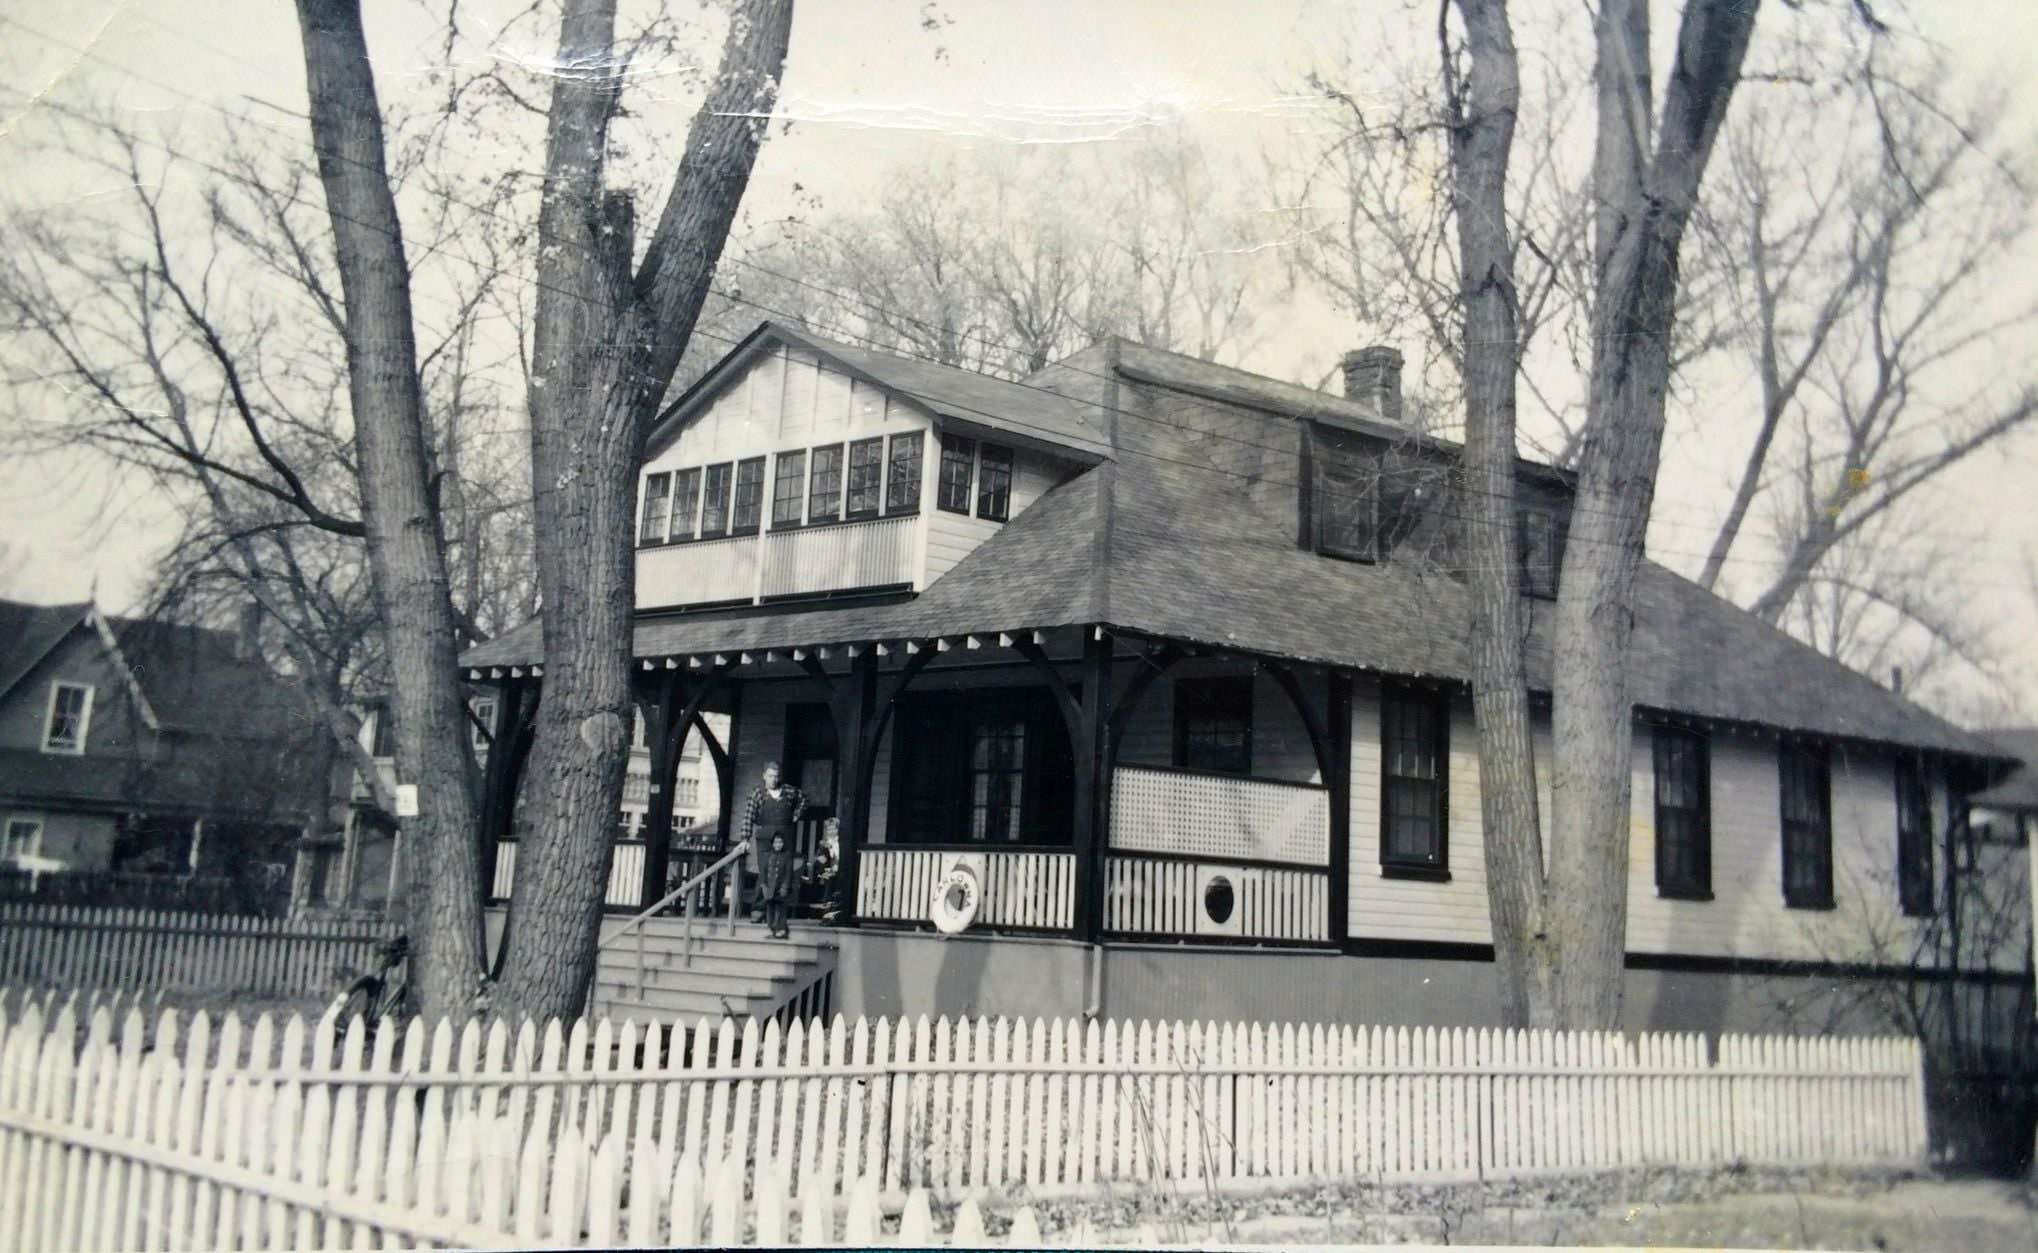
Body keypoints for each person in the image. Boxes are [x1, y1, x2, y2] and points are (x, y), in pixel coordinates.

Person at [739, 761, 806, 922]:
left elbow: (804, 799)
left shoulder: (789, 791)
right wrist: (745, 838)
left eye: (776, 776)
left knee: (784, 873)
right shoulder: (758, 793)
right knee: (765, 872)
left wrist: (797, 814)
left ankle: (778, 911)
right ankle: (759, 909)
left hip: (785, 839)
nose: (773, 780)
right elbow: (748, 816)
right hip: (765, 839)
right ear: (764, 776)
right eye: (770, 776)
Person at [760, 829, 795, 939]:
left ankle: (781, 930)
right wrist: (764, 885)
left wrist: (785, 886)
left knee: (781, 909)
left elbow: (789, 872)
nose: (778, 844)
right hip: (770, 887)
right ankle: (772, 929)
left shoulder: (787, 855)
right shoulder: (767, 855)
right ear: (772, 843)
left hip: (781, 887)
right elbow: (763, 871)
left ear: (783, 843)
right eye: (776, 842)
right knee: (770, 908)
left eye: (780, 842)